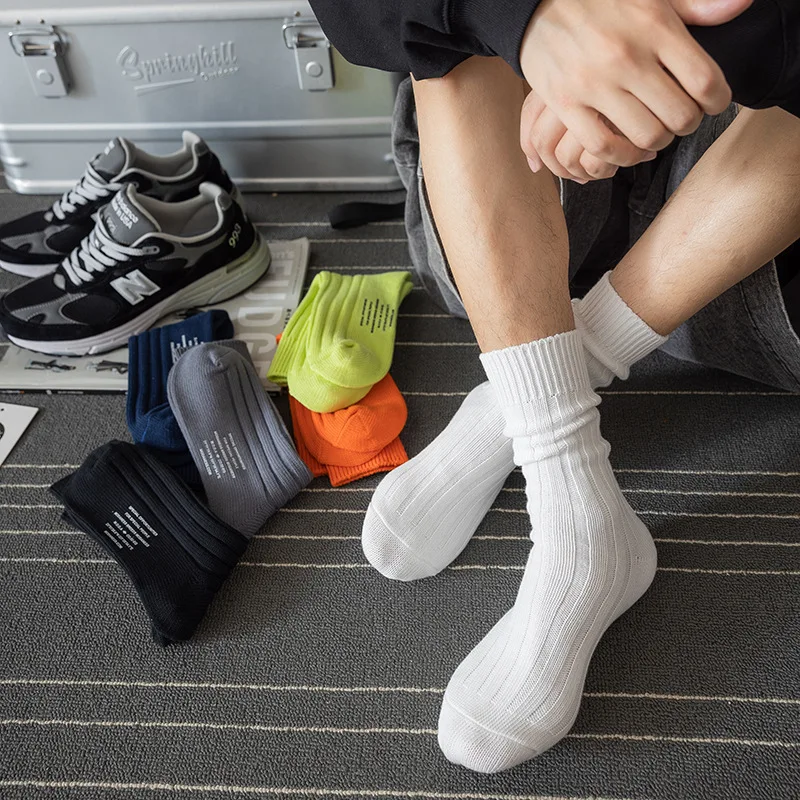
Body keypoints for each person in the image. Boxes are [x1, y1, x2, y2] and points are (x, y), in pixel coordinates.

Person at [308, 0, 800, 774]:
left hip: (757, 216)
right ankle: (556, 452)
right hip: (524, 164)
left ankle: (540, 401)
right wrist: (529, 22)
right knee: (443, 30)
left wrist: (682, 57)